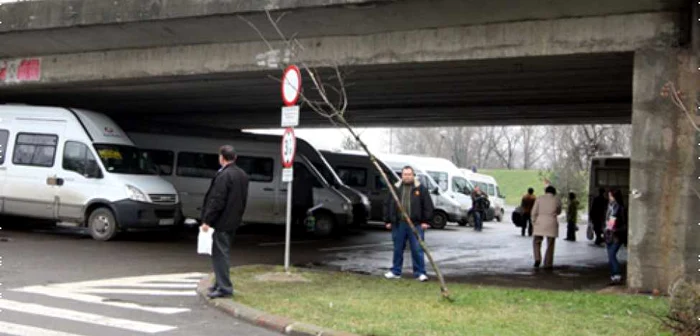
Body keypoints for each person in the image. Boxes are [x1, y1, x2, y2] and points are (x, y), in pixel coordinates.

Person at [200, 145, 250, 299]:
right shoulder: (242, 175)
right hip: (234, 220)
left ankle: (224, 288)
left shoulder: (224, 176)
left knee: (220, 254)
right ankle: (218, 283)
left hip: (222, 221)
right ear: (234, 158)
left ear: (222, 157)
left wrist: (207, 220)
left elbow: (217, 200)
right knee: (222, 251)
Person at [383, 165, 434, 282]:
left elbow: (428, 206)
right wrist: (387, 220)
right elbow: (388, 204)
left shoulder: (421, 189)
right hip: (398, 224)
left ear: (413, 175)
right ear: (402, 175)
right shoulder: (395, 188)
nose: (407, 177)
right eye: (405, 174)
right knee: (397, 249)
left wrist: (426, 221)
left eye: (409, 174)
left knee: (417, 249)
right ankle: (395, 271)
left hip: (415, 224)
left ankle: (420, 273)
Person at [531, 186, 562, 269]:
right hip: (551, 223)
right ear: (554, 192)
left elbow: (534, 212)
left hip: (539, 222)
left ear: (545, 191)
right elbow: (559, 211)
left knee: (536, 242)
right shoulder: (557, 199)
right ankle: (548, 263)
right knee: (550, 244)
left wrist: (534, 222)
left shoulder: (539, 199)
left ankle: (537, 258)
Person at [605, 189, 628, 285]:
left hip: (615, 235)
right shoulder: (612, 206)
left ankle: (617, 275)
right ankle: (614, 275)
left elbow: (611, 221)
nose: (609, 198)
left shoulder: (617, 207)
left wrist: (607, 228)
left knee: (612, 255)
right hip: (611, 235)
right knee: (610, 256)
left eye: (610, 196)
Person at [292, 163, 314, 229]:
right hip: (303, 205)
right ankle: (303, 232)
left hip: (296, 204)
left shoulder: (294, 182)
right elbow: (310, 195)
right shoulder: (307, 182)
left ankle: (292, 232)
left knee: (294, 219)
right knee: (302, 220)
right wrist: (310, 205)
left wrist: (292, 203)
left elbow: (292, 194)